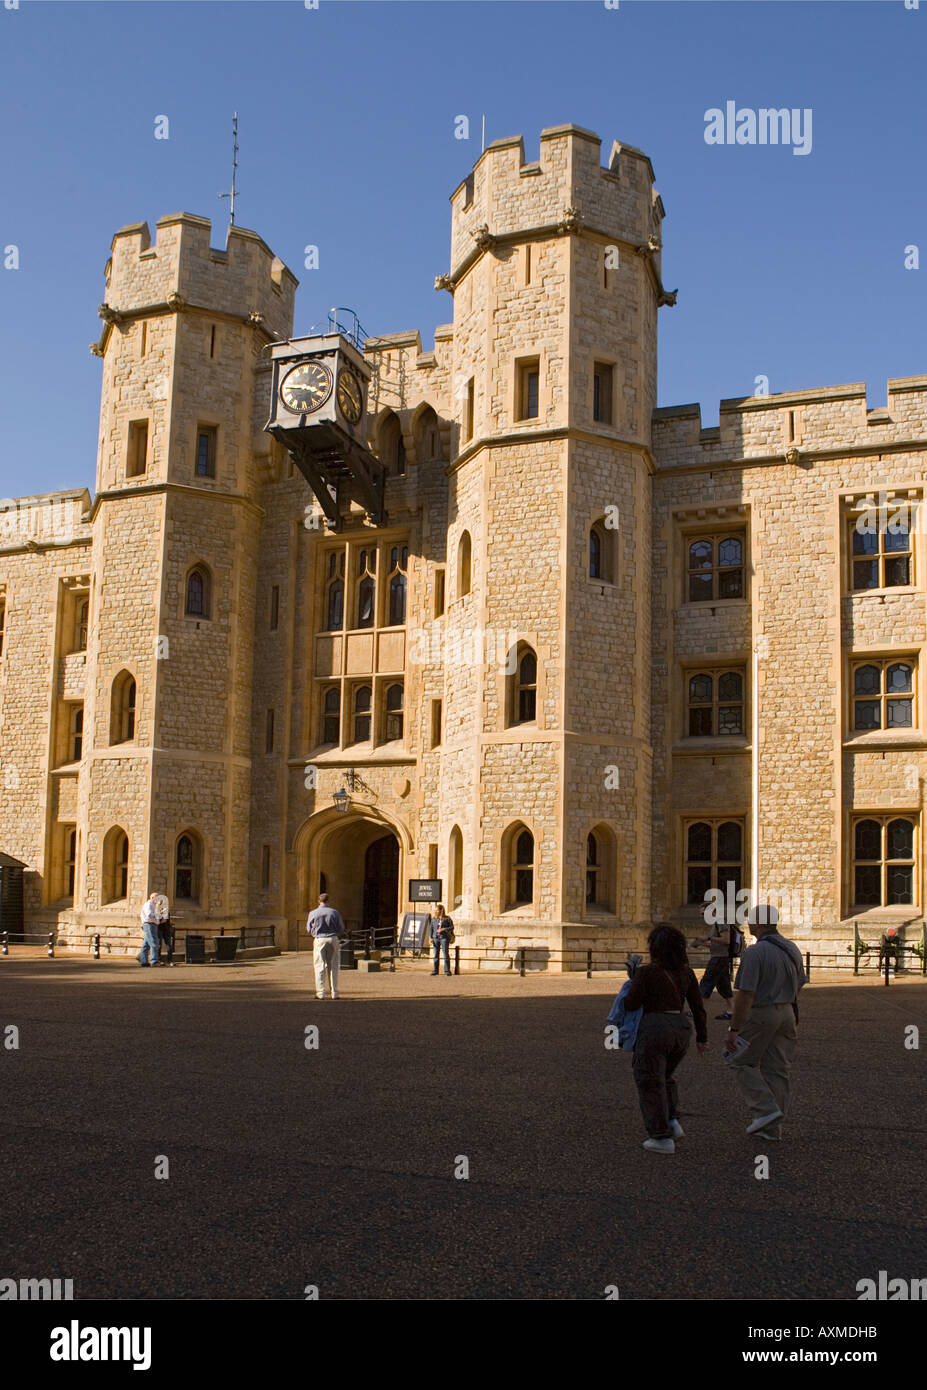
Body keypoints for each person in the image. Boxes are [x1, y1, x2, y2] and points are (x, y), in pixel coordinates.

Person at [623, 923, 708, 1153]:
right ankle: (671, 1121)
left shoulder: (648, 972)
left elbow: (630, 1003)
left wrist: (633, 981)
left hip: (655, 1028)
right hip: (681, 1029)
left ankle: (660, 1137)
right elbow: (698, 1007)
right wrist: (702, 1037)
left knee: (649, 1080)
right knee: (665, 1076)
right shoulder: (686, 972)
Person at [726, 904, 808, 1140]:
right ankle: (772, 1129)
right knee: (777, 1069)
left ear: (759, 924)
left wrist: (734, 1028)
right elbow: (800, 983)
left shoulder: (754, 952)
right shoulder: (792, 948)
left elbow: (745, 994)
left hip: (763, 1013)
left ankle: (765, 1109)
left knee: (739, 1060)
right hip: (787, 1012)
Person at [692, 919, 737, 1019]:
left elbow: (726, 940)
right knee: (724, 986)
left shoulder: (720, 922)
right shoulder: (716, 924)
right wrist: (702, 943)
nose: (702, 916)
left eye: (703, 914)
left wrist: (708, 937)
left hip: (719, 958)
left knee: (706, 983)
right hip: (720, 957)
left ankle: (697, 1011)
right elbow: (717, 943)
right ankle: (731, 1011)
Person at [307, 892, 347, 999]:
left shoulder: (313, 913)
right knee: (333, 966)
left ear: (318, 901)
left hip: (319, 939)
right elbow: (341, 928)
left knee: (319, 966)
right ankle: (334, 992)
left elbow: (308, 929)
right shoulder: (335, 913)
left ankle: (320, 993)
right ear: (328, 901)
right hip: (333, 938)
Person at [428, 904, 454, 976]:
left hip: (444, 938)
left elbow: (452, 927)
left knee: (445, 954)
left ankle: (447, 971)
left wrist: (443, 929)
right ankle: (435, 970)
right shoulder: (433, 919)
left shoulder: (447, 918)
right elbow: (431, 928)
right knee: (436, 954)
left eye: (437, 910)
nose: (435, 911)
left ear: (441, 910)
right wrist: (430, 937)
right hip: (436, 938)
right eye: (435, 910)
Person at [138, 892, 162, 967]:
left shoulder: (154, 905)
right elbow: (149, 914)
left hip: (152, 924)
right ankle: (154, 960)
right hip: (149, 924)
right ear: (152, 898)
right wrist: (157, 913)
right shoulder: (149, 904)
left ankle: (144, 961)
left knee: (146, 944)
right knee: (154, 942)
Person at [156, 894, 174, 966]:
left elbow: (164, 920)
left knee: (168, 945)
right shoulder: (157, 909)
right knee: (159, 945)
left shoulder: (165, 910)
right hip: (159, 928)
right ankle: (159, 959)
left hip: (165, 929)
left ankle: (169, 960)